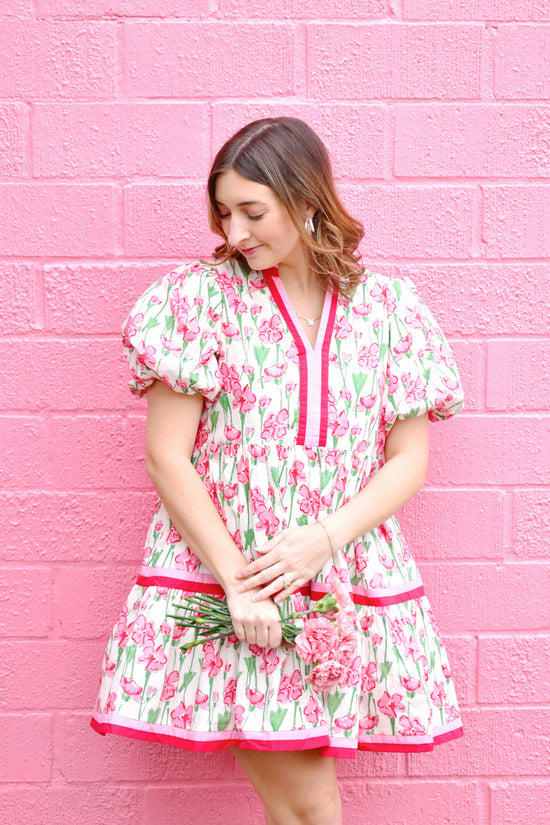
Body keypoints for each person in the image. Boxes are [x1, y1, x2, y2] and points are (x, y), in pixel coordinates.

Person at [91, 117, 464, 825]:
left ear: (306, 198)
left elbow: (408, 459)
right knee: (311, 809)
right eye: (224, 213)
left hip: (341, 577)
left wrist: (323, 538)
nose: (234, 234)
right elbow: (166, 455)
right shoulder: (199, 300)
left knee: (300, 810)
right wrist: (239, 583)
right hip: (231, 579)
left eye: (252, 212)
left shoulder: (392, 312)